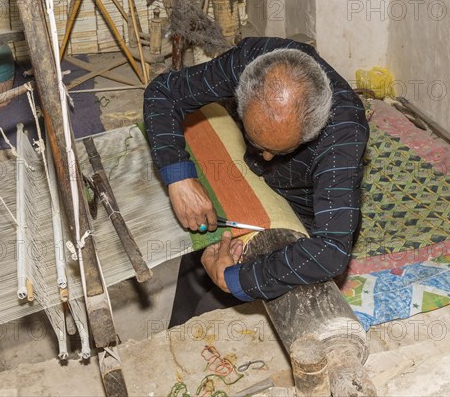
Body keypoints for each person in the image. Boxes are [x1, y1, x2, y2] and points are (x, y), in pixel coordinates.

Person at [143, 37, 368, 324]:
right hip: (243, 175)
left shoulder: (344, 133)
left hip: (302, 201)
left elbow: (331, 250)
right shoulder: (250, 62)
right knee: (199, 243)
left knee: (227, 297)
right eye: (255, 139)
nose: (265, 157)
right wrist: (179, 180)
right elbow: (162, 93)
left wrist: (236, 279)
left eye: (280, 150)